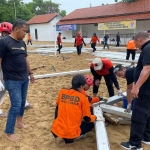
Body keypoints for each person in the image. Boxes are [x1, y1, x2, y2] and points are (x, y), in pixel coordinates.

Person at [0, 19, 35, 142]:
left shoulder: (22, 43)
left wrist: (30, 73)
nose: (25, 34)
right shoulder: (4, 42)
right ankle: (9, 132)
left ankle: (19, 122)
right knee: (15, 105)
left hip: (24, 78)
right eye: (24, 31)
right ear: (16, 29)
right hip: (12, 79)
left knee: (21, 103)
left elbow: (25, 59)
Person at [51, 74, 102, 144]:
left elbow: (57, 107)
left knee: (60, 110)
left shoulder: (62, 91)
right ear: (81, 86)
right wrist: (95, 117)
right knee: (90, 124)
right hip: (71, 133)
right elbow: (87, 118)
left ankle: (60, 129)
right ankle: (74, 137)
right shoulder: (83, 98)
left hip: (56, 129)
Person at [120, 31, 150, 150]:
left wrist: (136, 86)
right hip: (148, 90)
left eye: (135, 44)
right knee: (147, 114)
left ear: (139, 39)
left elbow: (147, 70)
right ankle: (147, 138)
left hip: (144, 90)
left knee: (139, 116)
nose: (135, 47)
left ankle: (135, 144)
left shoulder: (147, 49)